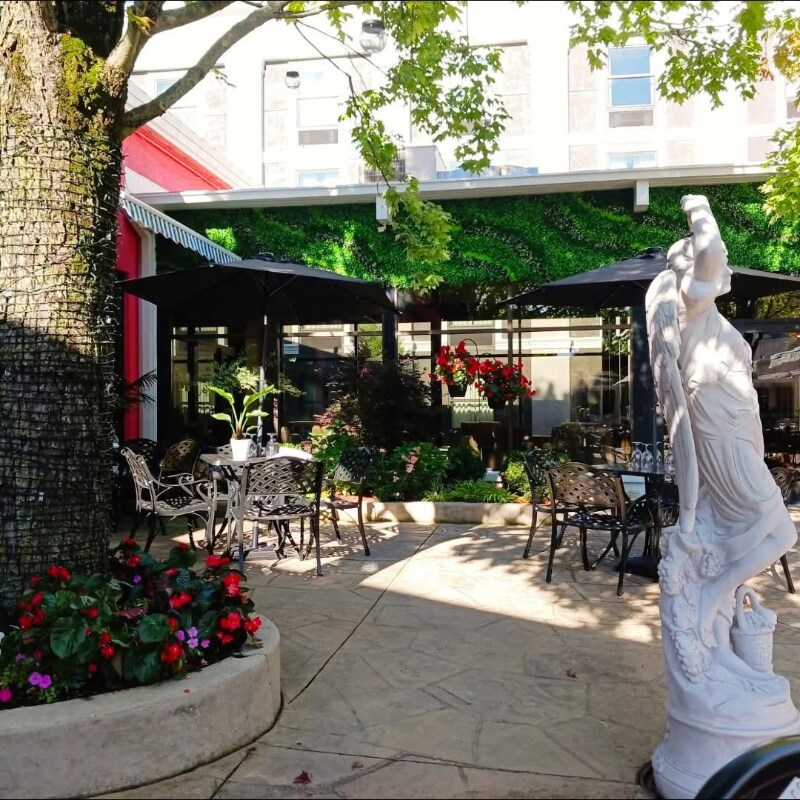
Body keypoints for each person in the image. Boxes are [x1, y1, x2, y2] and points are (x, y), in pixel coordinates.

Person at [668, 195, 796, 650]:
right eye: (717, 258)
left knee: (765, 530)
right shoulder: (692, 307)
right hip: (720, 434)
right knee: (782, 531)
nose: (724, 263)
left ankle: (716, 602)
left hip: (735, 431)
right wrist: (699, 207)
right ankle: (712, 595)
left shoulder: (709, 317)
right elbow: (709, 248)